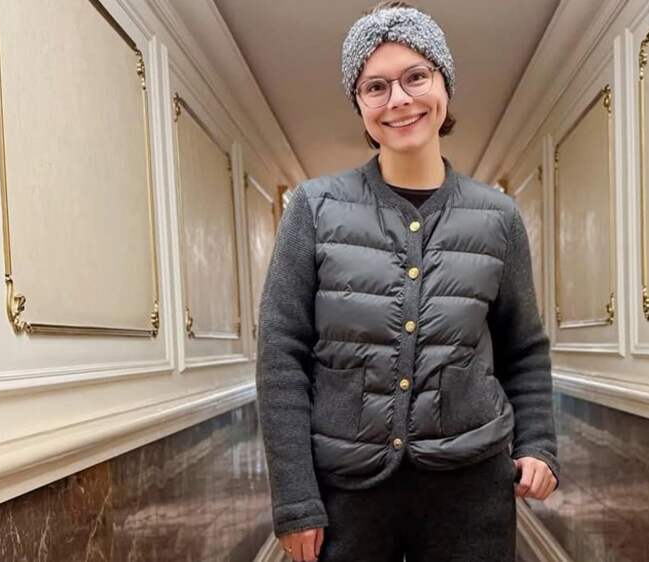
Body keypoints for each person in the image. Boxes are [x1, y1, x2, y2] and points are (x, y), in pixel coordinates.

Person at [255, 2, 559, 561]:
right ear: (360, 104)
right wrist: (295, 499)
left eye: (416, 76)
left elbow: (524, 349)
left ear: (444, 84)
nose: (398, 99)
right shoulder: (313, 209)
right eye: (375, 86)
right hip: (348, 493)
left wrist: (539, 443)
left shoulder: (498, 217)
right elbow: (281, 356)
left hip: (472, 491)